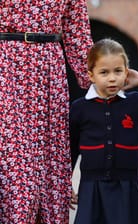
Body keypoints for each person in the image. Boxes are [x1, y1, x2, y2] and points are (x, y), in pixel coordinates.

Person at [0, 1, 93, 223]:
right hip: (6, 67)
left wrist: (104, 81)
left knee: (50, 164)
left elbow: (77, 30)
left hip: (49, 69)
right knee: (16, 166)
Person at [69, 38, 138, 224]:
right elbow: (70, 149)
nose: (112, 78)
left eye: (118, 71)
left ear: (126, 72)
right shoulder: (80, 108)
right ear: (91, 75)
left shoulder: (135, 102)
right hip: (91, 189)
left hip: (128, 188)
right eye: (104, 72)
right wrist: (66, 183)